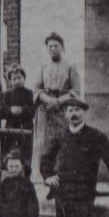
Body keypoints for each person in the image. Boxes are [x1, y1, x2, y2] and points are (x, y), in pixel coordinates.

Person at [34, 33, 82, 173]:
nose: (53, 49)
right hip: (45, 109)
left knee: (64, 140)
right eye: (50, 47)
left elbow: (76, 90)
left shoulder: (70, 67)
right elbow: (37, 88)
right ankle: (43, 175)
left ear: (62, 47)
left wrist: (59, 101)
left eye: (56, 46)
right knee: (43, 142)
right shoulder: (43, 66)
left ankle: (63, 174)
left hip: (63, 109)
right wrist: (48, 99)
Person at [0, 65, 36, 170]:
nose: (17, 81)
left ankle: (25, 178)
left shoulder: (29, 93)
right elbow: (0, 111)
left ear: (24, 78)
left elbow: (32, 110)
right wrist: (10, 110)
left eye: (20, 78)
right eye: (14, 79)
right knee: (8, 153)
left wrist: (23, 110)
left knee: (26, 155)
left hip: (26, 129)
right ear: (10, 80)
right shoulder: (6, 94)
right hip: (10, 129)